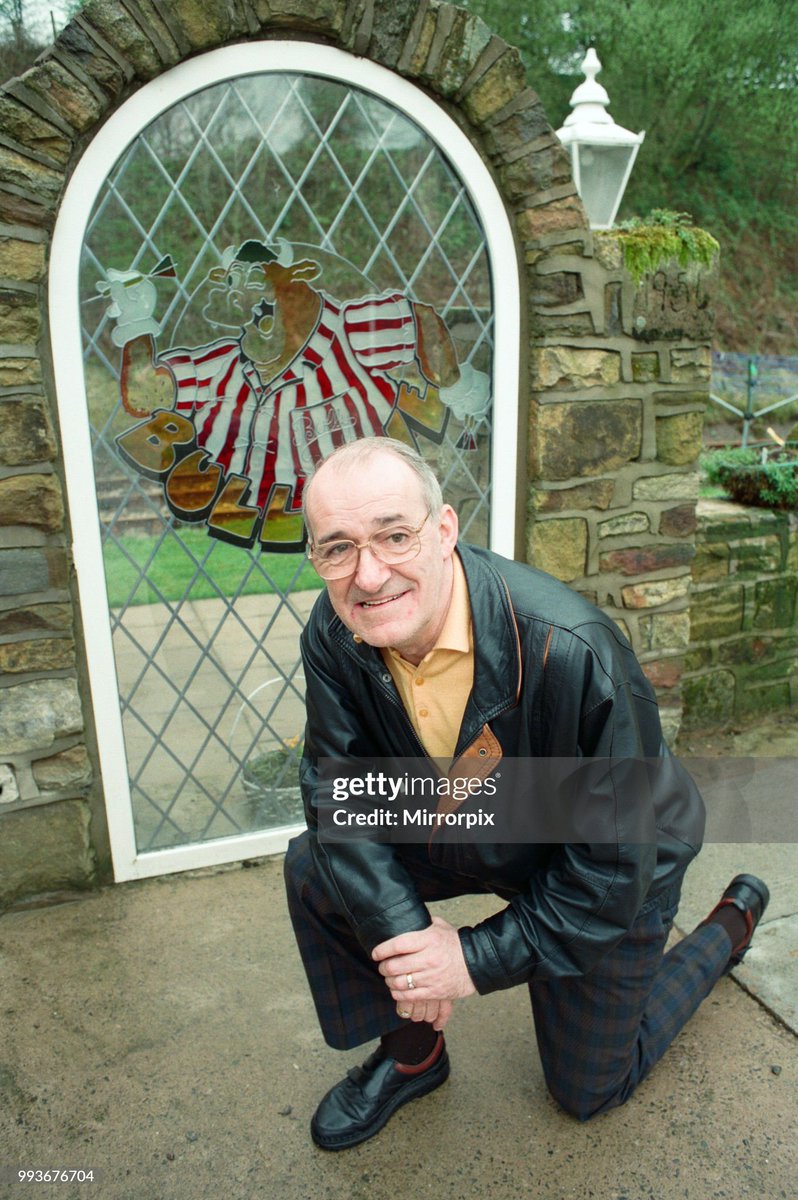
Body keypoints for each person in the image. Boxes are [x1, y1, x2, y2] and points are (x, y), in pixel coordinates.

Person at [284, 436, 769, 1151]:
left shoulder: (574, 648)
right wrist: (409, 944)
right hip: (474, 816)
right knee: (318, 866)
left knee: (586, 1092)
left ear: (445, 529)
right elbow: (341, 794)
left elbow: (610, 868)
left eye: (394, 535)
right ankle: (413, 1055)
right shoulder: (334, 631)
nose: (369, 573)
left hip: (615, 858)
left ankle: (728, 926)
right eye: (338, 548)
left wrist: (469, 962)